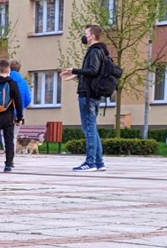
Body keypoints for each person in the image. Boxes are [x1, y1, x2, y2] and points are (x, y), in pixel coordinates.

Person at [60, 24, 108, 172]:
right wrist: (77, 74)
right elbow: (92, 72)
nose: (84, 36)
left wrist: (74, 70)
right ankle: (99, 162)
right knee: (92, 128)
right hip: (93, 94)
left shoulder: (94, 51)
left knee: (89, 129)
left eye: (86, 33)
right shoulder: (102, 51)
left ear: (92, 36)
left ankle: (90, 162)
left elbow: (93, 70)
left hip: (88, 95)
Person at [9, 60, 32, 147]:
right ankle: (12, 153)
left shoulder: (5, 81)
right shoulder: (23, 83)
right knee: (14, 135)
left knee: (4, 133)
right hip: (19, 112)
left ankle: (6, 151)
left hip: (6, 111)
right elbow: (28, 99)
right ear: (19, 69)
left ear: (9, 68)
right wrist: (22, 106)